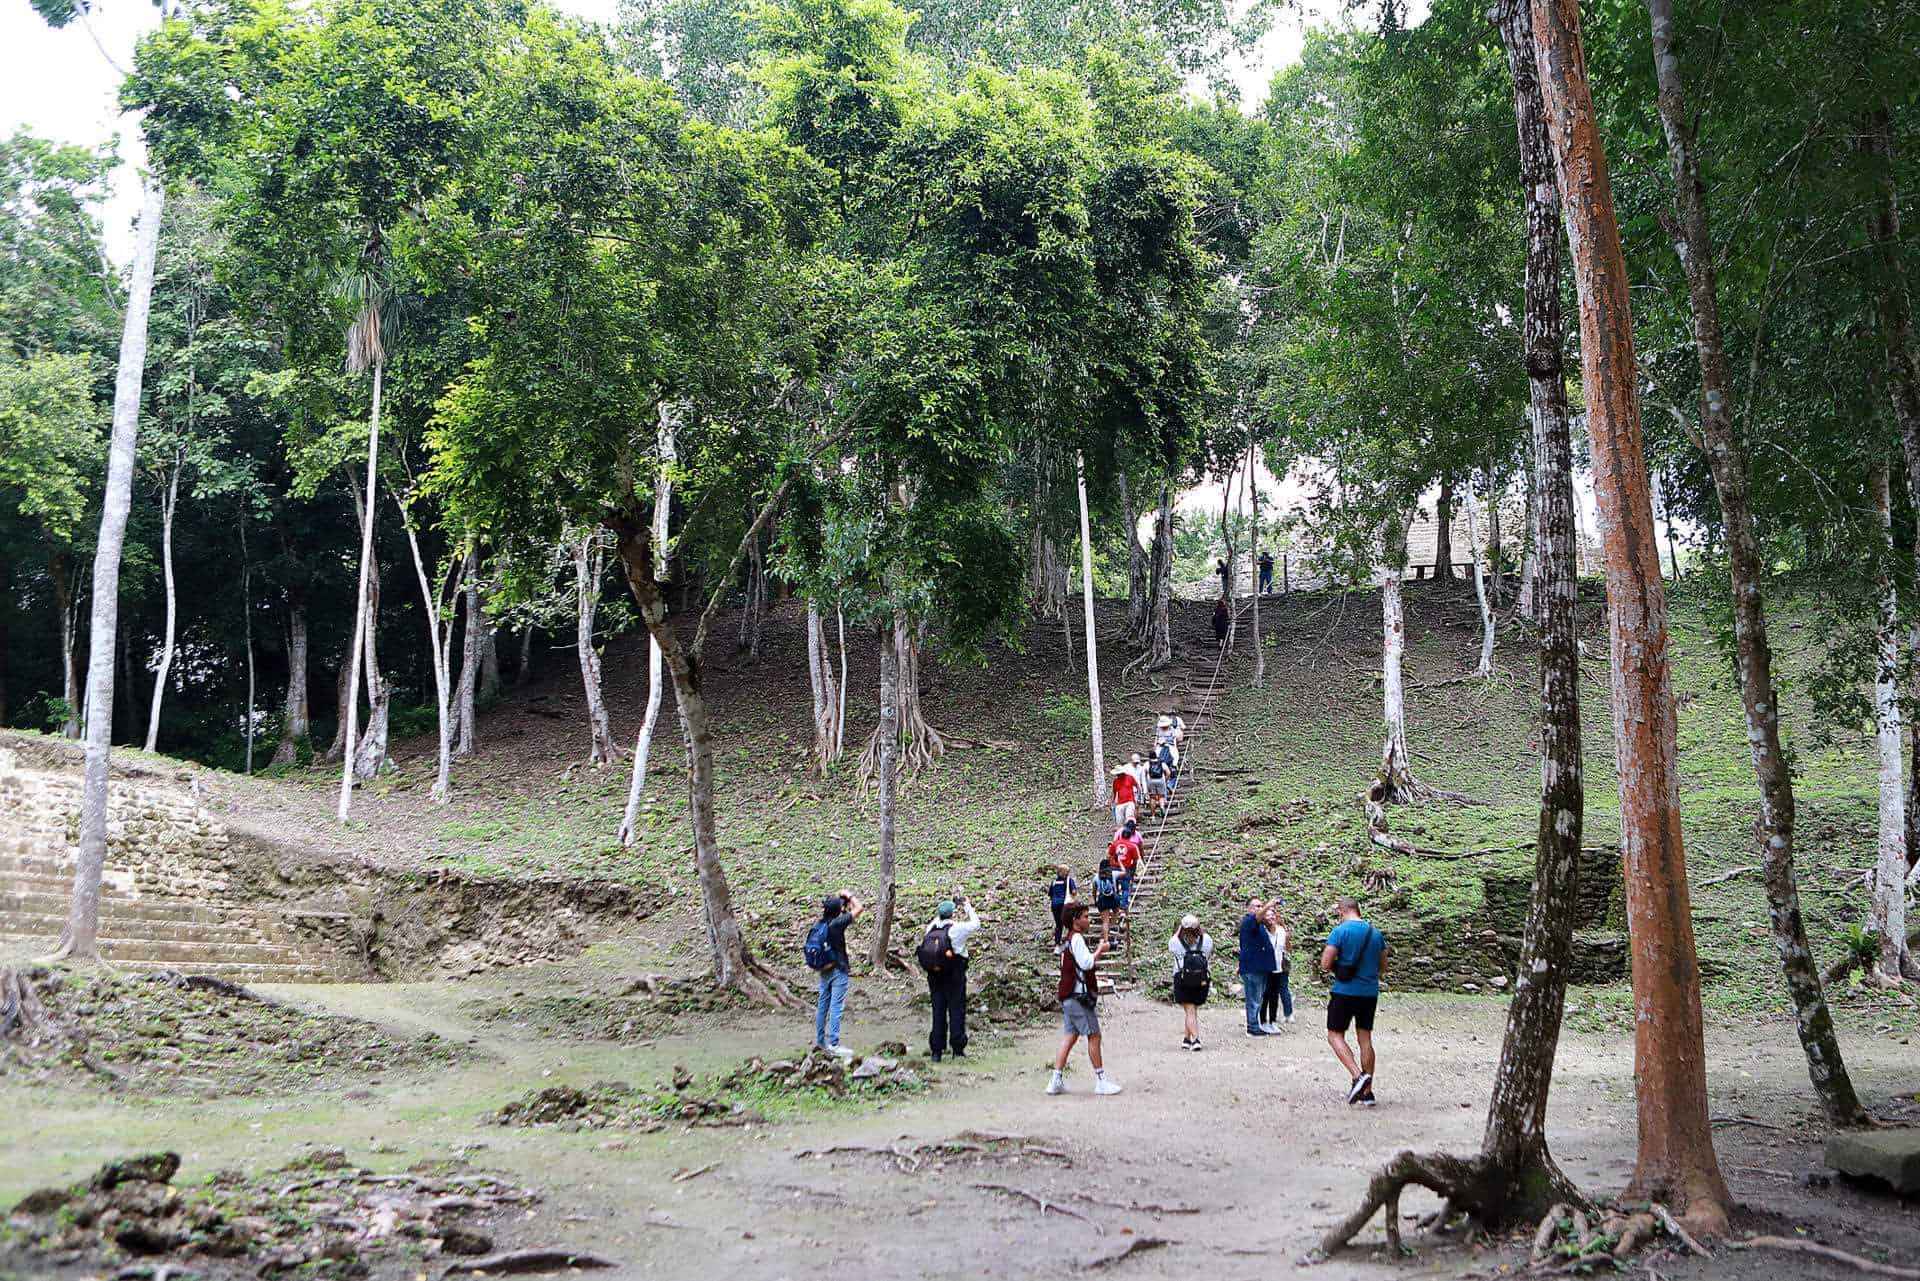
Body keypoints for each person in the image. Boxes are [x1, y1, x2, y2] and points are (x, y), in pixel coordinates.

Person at [1320, 896, 1388, 1106]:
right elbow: (1383, 966)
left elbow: (1325, 963)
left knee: (1334, 1035)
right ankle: (1367, 1093)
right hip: (1369, 993)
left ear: (1341, 911)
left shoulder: (1340, 932)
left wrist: (1340, 968)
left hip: (1344, 992)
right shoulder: (1375, 933)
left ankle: (1358, 1077)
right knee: (1365, 1039)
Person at [1048, 902, 1121, 1095]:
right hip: (1078, 997)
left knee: (1070, 1036)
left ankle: (1055, 1080)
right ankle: (1101, 1080)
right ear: (1075, 920)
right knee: (1094, 1036)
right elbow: (1087, 963)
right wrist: (1100, 951)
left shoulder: (1067, 939)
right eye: (1086, 916)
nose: (1089, 920)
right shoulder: (1077, 939)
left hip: (1068, 996)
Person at [918, 895, 982, 1061]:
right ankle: (957, 1049)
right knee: (956, 1010)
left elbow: (938, 917)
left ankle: (936, 1052)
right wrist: (967, 905)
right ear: (953, 914)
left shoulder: (931, 927)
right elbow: (976, 923)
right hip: (954, 974)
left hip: (934, 975)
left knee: (938, 1011)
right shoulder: (957, 929)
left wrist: (951, 904)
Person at [806, 891, 864, 1058]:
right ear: (838, 910)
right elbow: (860, 908)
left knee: (823, 1005)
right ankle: (834, 1044)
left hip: (824, 969)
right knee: (836, 1007)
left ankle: (820, 1042)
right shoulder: (837, 924)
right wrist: (850, 895)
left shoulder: (820, 924)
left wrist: (841, 904)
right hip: (839, 969)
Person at [1169, 914, 1213, 1050]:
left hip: (1182, 978)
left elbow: (1172, 945)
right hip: (1201, 979)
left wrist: (1179, 930)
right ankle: (1186, 1039)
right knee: (1192, 1010)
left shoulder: (1175, 942)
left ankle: (1196, 1039)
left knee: (1189, 1010)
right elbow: (1209, 954)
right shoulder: (1206, 940)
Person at [1237, 898, 1277, 1036]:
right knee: (1254, 997)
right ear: (1249, 908)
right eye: (1257, 906)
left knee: (1257, 997)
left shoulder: (1259, 924)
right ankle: (1252, 1027)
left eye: (1261, 905)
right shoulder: (1249, 921)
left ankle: (1255, 1024)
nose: (1261, 908)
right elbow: (1258, 917)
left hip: (1259, 967)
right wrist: (1268, 905)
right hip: (1253, 967)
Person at [1261, 901, 1294, 1029]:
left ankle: (1279, 1018)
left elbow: (1287, 948)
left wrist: (1288, 940)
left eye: (1272, 915)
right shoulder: (1262, 931)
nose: (1271, 917)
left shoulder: (1281, 931)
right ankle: (1262, 1020)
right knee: (1265, 994)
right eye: (1267, 915)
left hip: (1280, 966)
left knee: (1279, 991)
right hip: (1265, 967)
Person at [1107, 821, 1141, 908]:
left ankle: (1115, 903)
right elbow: (1135, 859)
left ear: (1121, 835)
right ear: (1130, 836)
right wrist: (1132, 870)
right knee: (1125, 888)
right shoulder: (1132, 846)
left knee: (1114, 886)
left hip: (1114, 868)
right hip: (1125, 869)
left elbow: (1109, 855)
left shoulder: (1114, 844)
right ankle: (1123, 904)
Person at [1093, 856, 1124, 945]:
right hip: (1113, 898)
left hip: (1102, 900)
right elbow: (1124, 872)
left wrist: (1095, 901)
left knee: (1105, 921)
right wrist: (1120, 862)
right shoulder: (1113, 873)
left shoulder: (1096, 877)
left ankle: (1106, 940)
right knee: (1116, 912)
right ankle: (1111, 926)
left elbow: (1094, 891)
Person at [1046, 864, 1076, 949]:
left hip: (1055, 905)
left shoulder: (1054, 882)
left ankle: (1057, 945)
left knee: (1059, 925)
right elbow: (1073, 892)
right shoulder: (1069, 880)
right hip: (1065, 905)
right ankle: (1069, 942)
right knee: (1070, 923)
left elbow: (1050, 894)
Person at [1111, 764, 1138, 828]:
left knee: (1129, 817)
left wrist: (1138, 797)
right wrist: (1112, 802)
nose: (1118, 775)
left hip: (1130, 801)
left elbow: (1137, 786)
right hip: (1120, 803)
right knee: (1119, 820)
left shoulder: (1130, 777)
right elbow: (1114, 793)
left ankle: (1131, 832)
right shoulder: (1115, 781)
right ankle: (1122, 834)